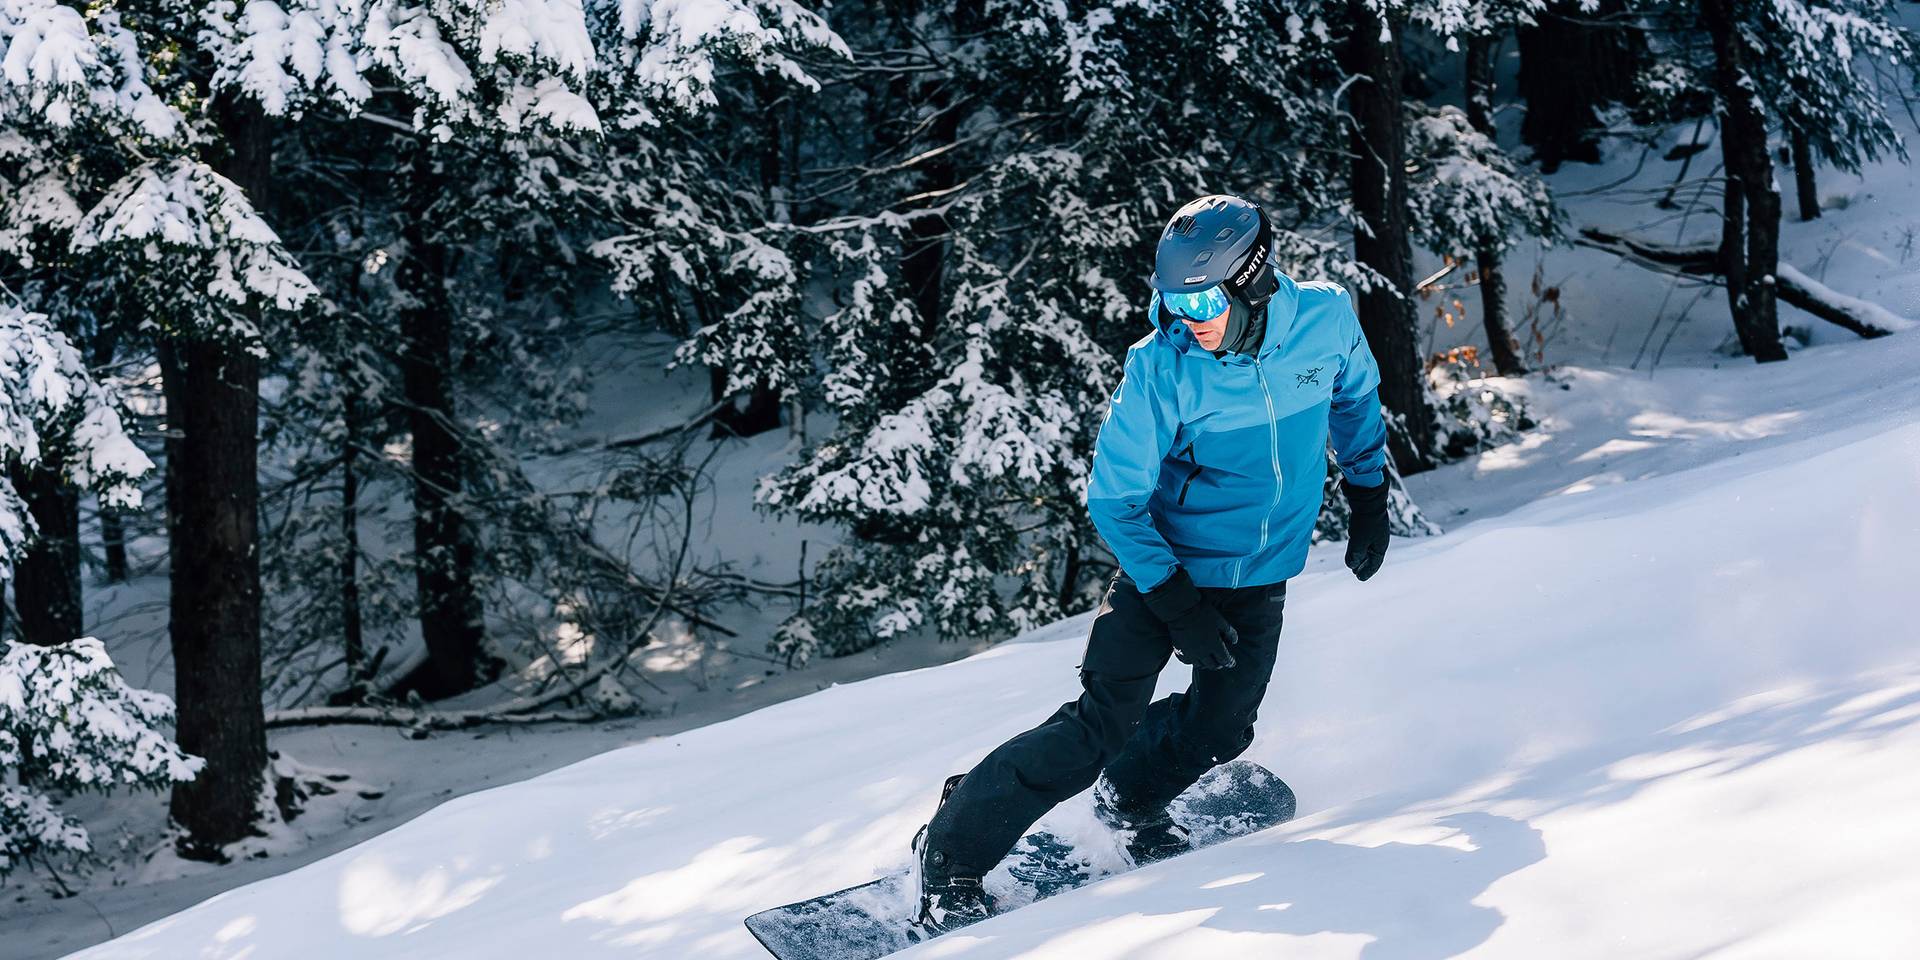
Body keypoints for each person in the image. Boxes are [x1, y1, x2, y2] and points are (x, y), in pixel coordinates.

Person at [911, 194, 1394, 934]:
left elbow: (1356, 400)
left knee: (1222, 729)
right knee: (1095, 729)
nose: (1188, 316)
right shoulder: (1160, 368)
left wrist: (1367, 493)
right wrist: (1175, 600)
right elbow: (1114, 500)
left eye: (1203, 297)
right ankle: (950, 851)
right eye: (1175, 299)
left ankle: (1129, 798)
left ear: (1253, 277)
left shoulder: (1324, 320)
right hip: (1159, 574)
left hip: (1259, 573)